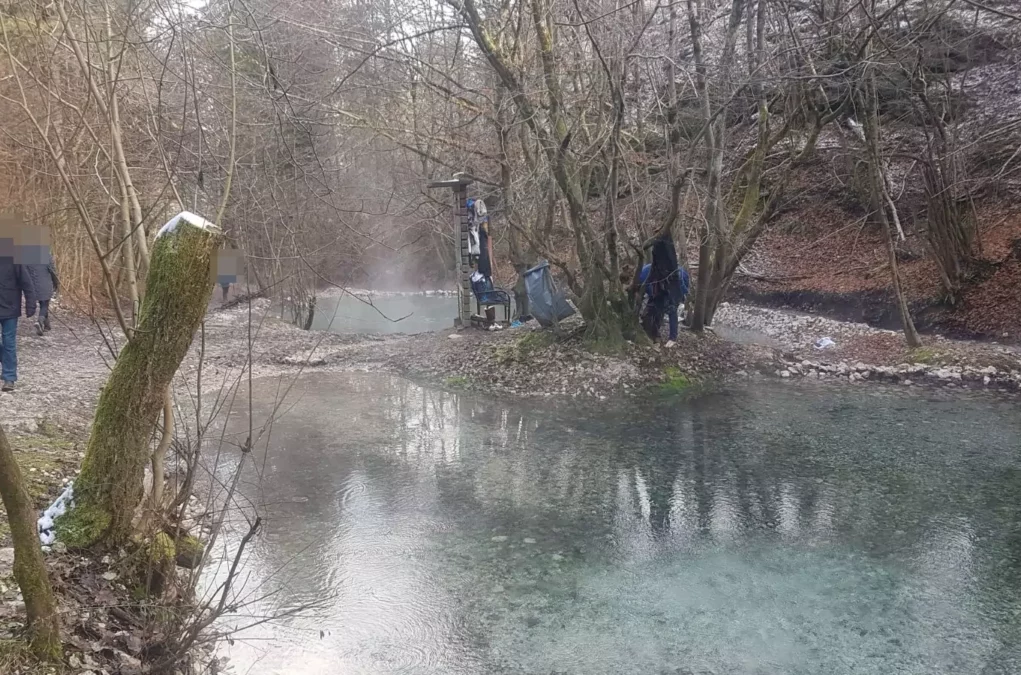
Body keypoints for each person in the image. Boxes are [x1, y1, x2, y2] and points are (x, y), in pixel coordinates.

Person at [0, 248, 37, 391]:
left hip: (10, 309)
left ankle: (9, 378)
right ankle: (7, 361)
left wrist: (31, 304)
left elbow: (27, 283)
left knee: (9, 343)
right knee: (7, 346)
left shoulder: (14, 261)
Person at [636, 257, 689, 345]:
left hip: (670, 285)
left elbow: (672, 311)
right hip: (656, 284)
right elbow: (648, 295)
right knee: (653, 308)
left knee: (667, 308)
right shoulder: (644, 276)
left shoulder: (678, 281)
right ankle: (651, 331)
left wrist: (672, 338)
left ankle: (655, 332)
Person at [27, 255, 58, 335]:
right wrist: (56, 284)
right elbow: (53, 271)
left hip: (33, 285)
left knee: (43, 304)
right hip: (45, 284)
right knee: (45, 304)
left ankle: (47, 326)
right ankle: (40, 322)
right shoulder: (46, 256)